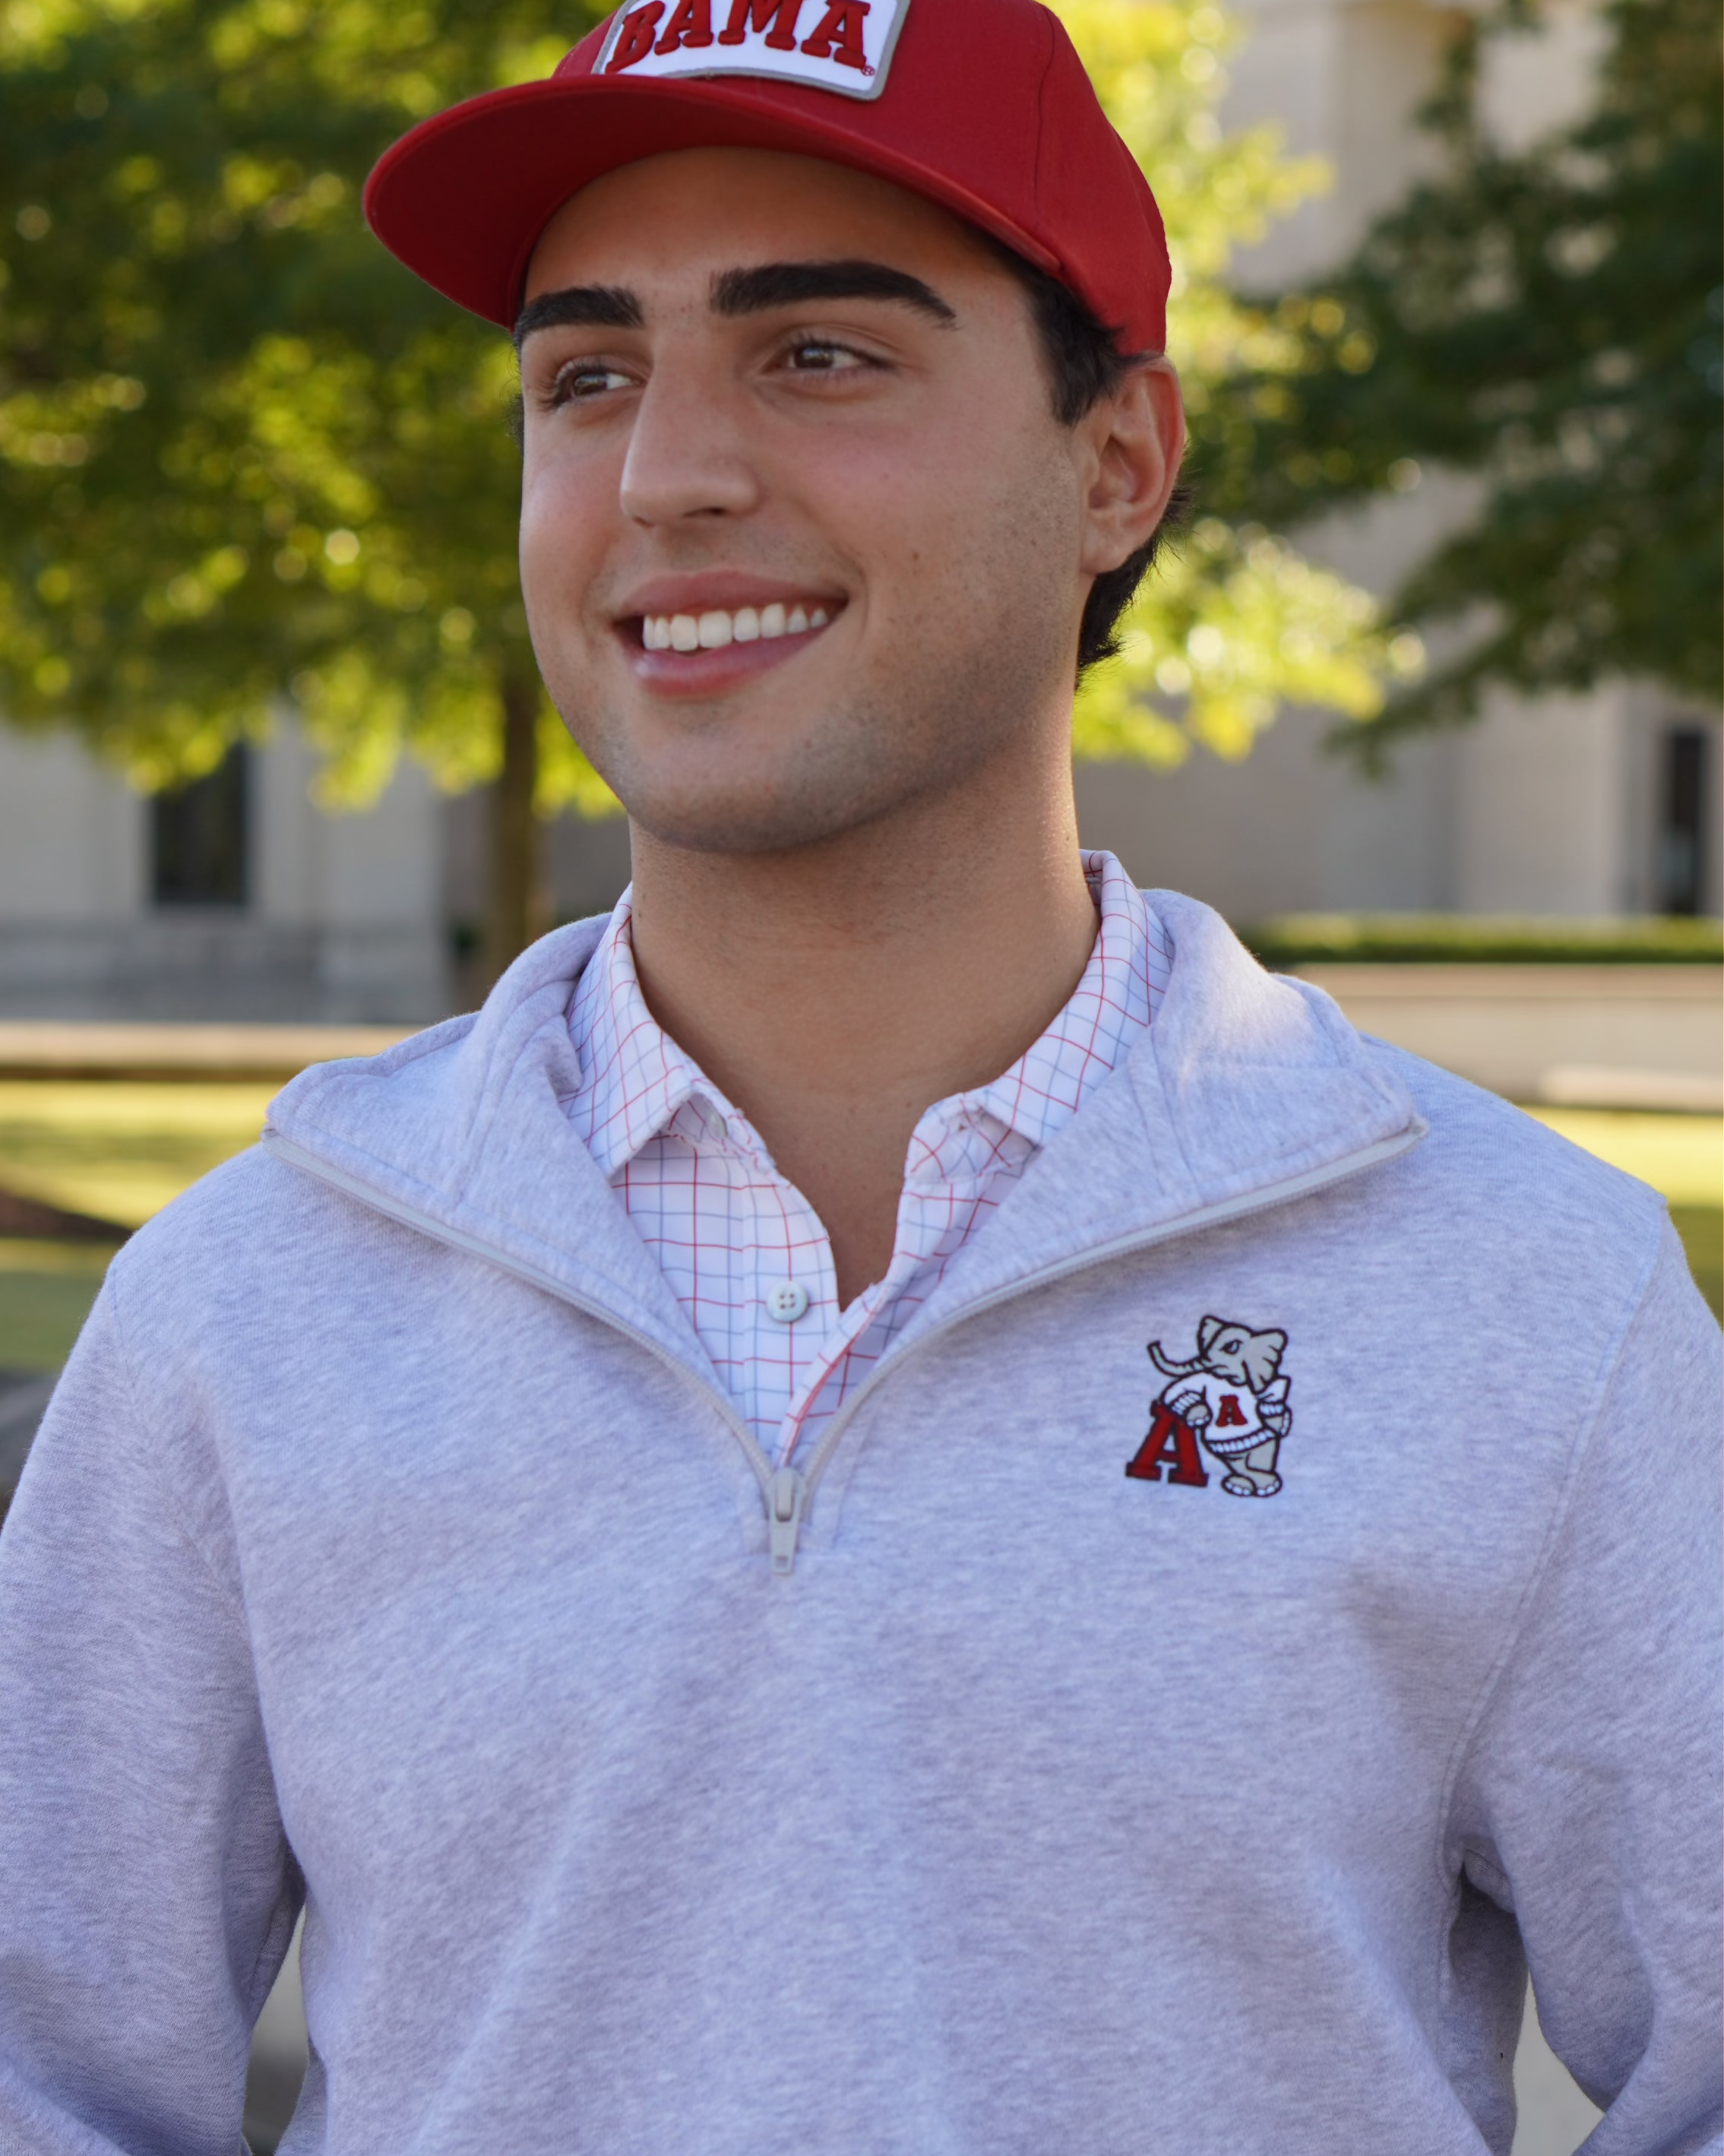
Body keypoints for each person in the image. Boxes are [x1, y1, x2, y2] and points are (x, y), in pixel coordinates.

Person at [0, 0, 1718, 2148]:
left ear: (1118, 464)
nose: (666, 472)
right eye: (584, 374)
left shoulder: (1517, 1294)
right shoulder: (246, 1309)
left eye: (817, 352)